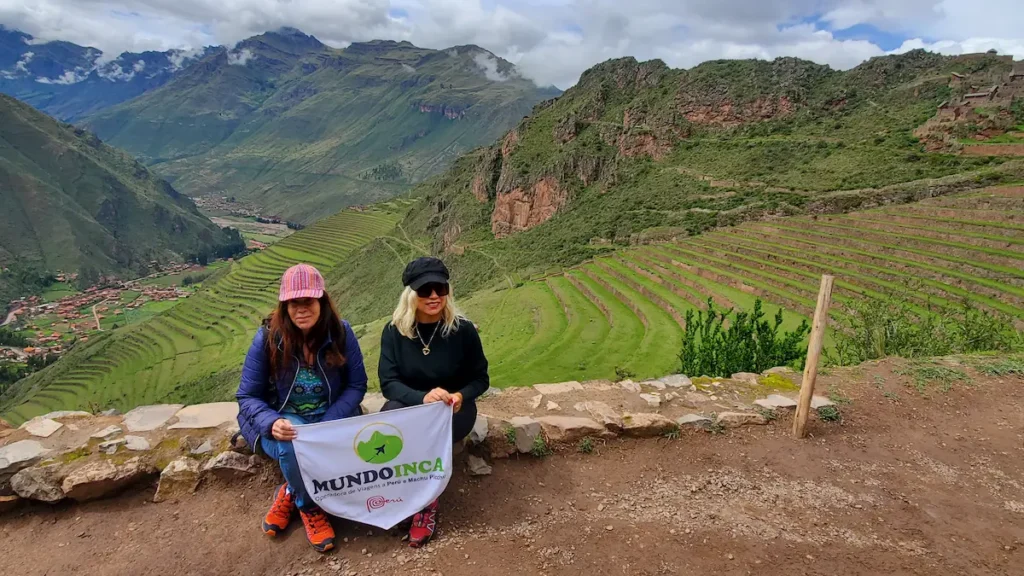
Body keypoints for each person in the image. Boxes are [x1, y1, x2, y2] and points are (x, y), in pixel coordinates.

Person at [236, 264, 367, 553]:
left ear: (322, 301)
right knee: (293, 444)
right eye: (294, 303)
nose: (301, 309)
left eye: (308, 301)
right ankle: (309, 507)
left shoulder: (340, 333)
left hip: (331, 418)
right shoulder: (269, 338)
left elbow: (357, 386)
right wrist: (271, 422)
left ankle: (290, 489)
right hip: (284, 419)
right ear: (285, 306)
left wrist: (328, 422)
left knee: (308, 447)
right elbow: (247, 395)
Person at [378, 256, 490, 547]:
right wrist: (423, 397)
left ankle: (424, 505)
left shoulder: (462, 331)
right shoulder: (394, 332)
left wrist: (459, 395)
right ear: (411, 294)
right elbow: (389, 384)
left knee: (423, 440)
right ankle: (411, 500)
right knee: (395, 423)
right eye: (425, 289)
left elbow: (480, 379)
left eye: (440, 288)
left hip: (452, 410)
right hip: (410, 407)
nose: (433, 296)